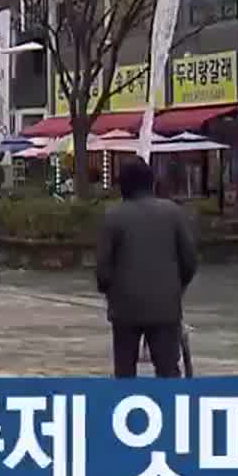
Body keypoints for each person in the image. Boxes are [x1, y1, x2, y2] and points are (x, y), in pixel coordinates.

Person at [96, 160, 197, 378]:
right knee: (168, 369)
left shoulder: (113, 217)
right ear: (152, 183)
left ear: (122, 186)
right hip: (166, 305)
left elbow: (103, 268)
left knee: (125, 371)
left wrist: (109, 292)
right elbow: (189, 261)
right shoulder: (174, 213)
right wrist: (176, 288)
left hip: (124, 306)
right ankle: (169, 409)